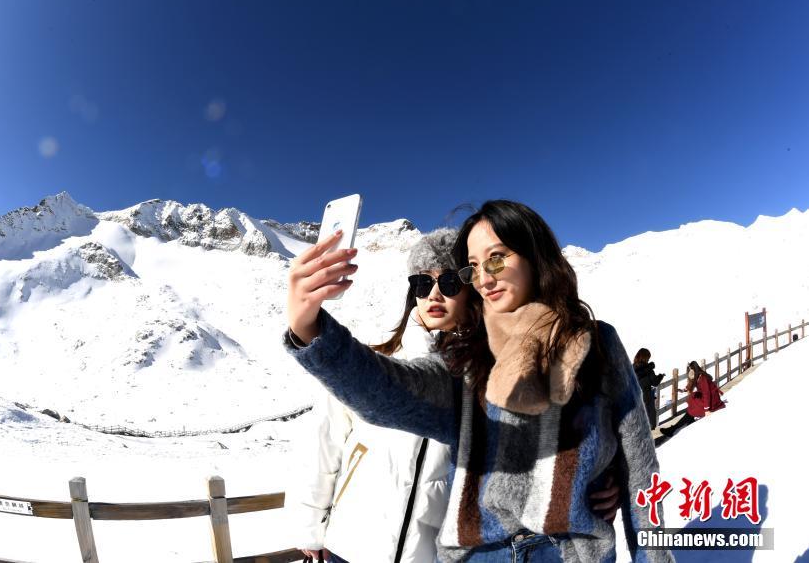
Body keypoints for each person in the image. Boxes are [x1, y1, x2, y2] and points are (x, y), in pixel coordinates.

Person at [285, 200, 672, 562]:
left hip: (569, 552)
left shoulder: (597, 342)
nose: (484, 277)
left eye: (496, 258)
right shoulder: (467, 359)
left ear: (535, 255)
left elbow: (639, 466)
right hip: (482, 554)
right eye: (473, 266)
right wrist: (310, 327)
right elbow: (386, 393)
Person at [289, 228, 462, 563]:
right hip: (353, 545)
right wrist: (309, 524)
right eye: (423, 283)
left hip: (428, 555)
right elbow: (323, 441)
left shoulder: (484, 374)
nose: (434, 294)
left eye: (450, 282)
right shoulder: (374, 359)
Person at [660, 361, 725, 439]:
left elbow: (706, 394)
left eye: (691, 369)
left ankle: (673, 429)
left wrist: (706, 409)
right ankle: (681, 424)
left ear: (695, 369)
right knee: (692, 402)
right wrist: (684, 389)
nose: (690, 371)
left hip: (712, 400)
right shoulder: (697, 376)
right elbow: (691, 383)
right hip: (707, 398)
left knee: (694, 407)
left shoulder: (702, 378)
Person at [633, 348, 665, 430]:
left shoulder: (633, 367)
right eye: (648, 358)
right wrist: (660, 376)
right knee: (649, 417)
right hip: (647, 396)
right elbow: (655, 382)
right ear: (645, 358)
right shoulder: (648, 369)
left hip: (635, 397)